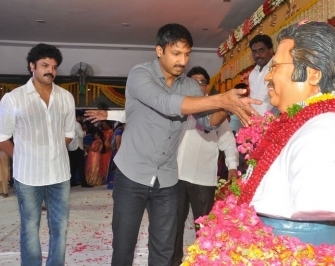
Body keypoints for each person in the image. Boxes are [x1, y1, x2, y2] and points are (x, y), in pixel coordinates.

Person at [85, 23, 260, 266]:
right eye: (176, 53)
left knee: (164, 249)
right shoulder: (140, 74)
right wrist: (219, 98)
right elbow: (166, 103)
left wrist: (225, 106)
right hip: (132, 175)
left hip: (167, 179)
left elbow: (208, 122)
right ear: (159, 51)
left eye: (186, 54)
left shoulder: (189, 85)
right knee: (124, 247)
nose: (182, 60)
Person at [246, 21, 335, 244]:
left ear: (313, 74)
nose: (268, 77)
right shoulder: (299, 122)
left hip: (294, 250)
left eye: (275, 67)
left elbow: (317, 206)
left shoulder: (325, 131)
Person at [0, 43, 76, 266]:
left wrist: (53, 151)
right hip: (28, 176)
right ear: (32, 66)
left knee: (60, 226)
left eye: (54, 66)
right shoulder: (13, 98)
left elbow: (69, 134)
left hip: (59, 175)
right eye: (44, 65)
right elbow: (2, 138)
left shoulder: (65, 97)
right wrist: (24, 156)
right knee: (30, 227)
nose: (50, 70)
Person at [172, 66, 239, 266]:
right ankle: (174, 262)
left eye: (201, 81)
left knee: (205, 228)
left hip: (203, 180)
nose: (197, 85)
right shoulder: (179, 108)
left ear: (207, 86)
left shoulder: (217, 112)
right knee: (174, 226)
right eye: (193, 82)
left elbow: (228, 143)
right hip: (176, 177)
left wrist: (232, 167)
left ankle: (204, 262)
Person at [248, 34, 274, 116]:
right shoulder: (252, 74)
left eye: (261, 50)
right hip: (255, 122)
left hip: (273, 121)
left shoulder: (277, 68)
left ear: (271, 50)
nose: (257, 55)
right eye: (254, 51)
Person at [68, 110, 93, 188]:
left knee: (72, 166)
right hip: (77, 147)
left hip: (70, 147)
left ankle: (72, 182)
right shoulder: (77, 124)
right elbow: (81, 135)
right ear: (78, 117)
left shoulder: (68, 123)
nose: (82, 119)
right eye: (81, 117)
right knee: (81, 166)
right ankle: (83, 182)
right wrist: (85, 132)